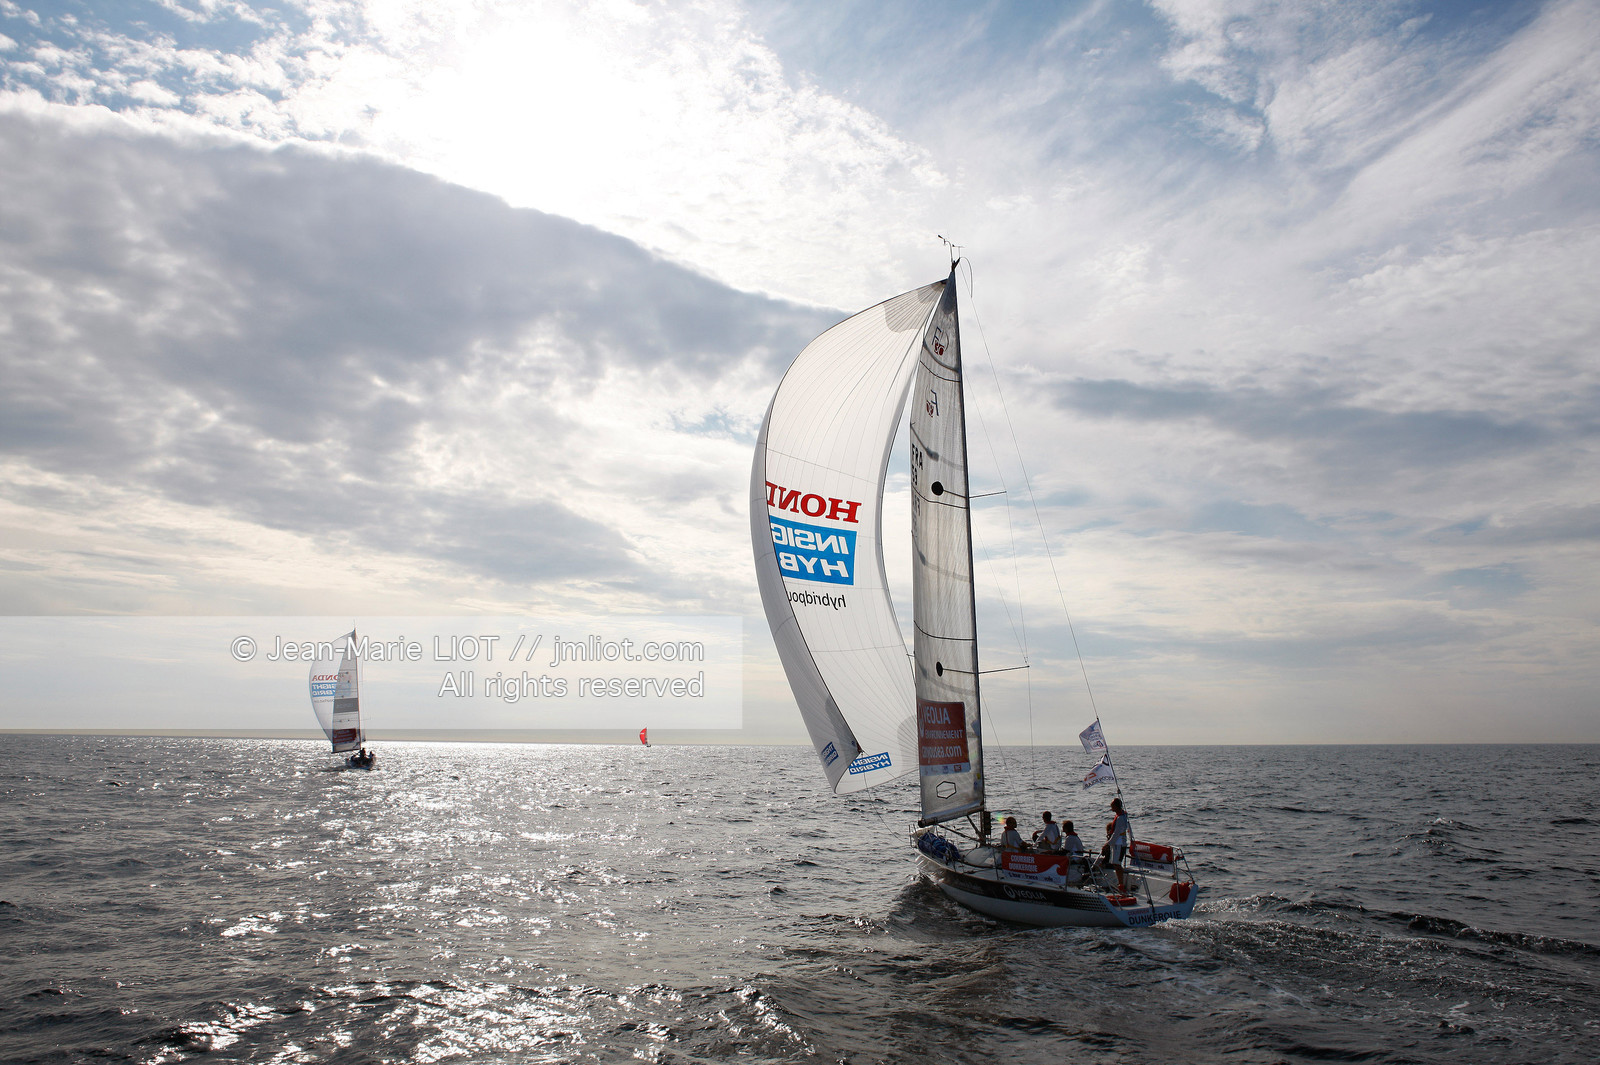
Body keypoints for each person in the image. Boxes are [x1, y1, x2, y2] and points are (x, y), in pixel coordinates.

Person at [1102, 797, 1130, 891]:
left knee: (1117, 864)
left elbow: (1117, 832)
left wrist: (1108, 844)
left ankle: (1121, 885)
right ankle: (1120, 883)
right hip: (1116, 843)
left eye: (1112, 805)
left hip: (1119, 843)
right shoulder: (1119, 816)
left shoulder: (1121, 818)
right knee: (1115, 863)